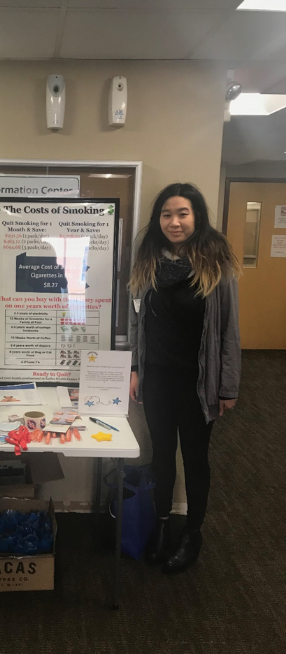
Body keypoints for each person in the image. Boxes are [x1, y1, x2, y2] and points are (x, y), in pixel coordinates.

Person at [129, 182, 240, 574]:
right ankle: (161, 526)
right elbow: (137, 321)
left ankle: (193, 532)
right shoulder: (148, 262)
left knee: (195, 459)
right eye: (166, 214)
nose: (174, 222)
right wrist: (135, 368)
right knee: (160, 455)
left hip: (198, 383)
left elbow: (228, 332)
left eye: (183, 214)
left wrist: (228, 386)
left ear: (197, 217)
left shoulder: (216, 265)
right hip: (157, 379)